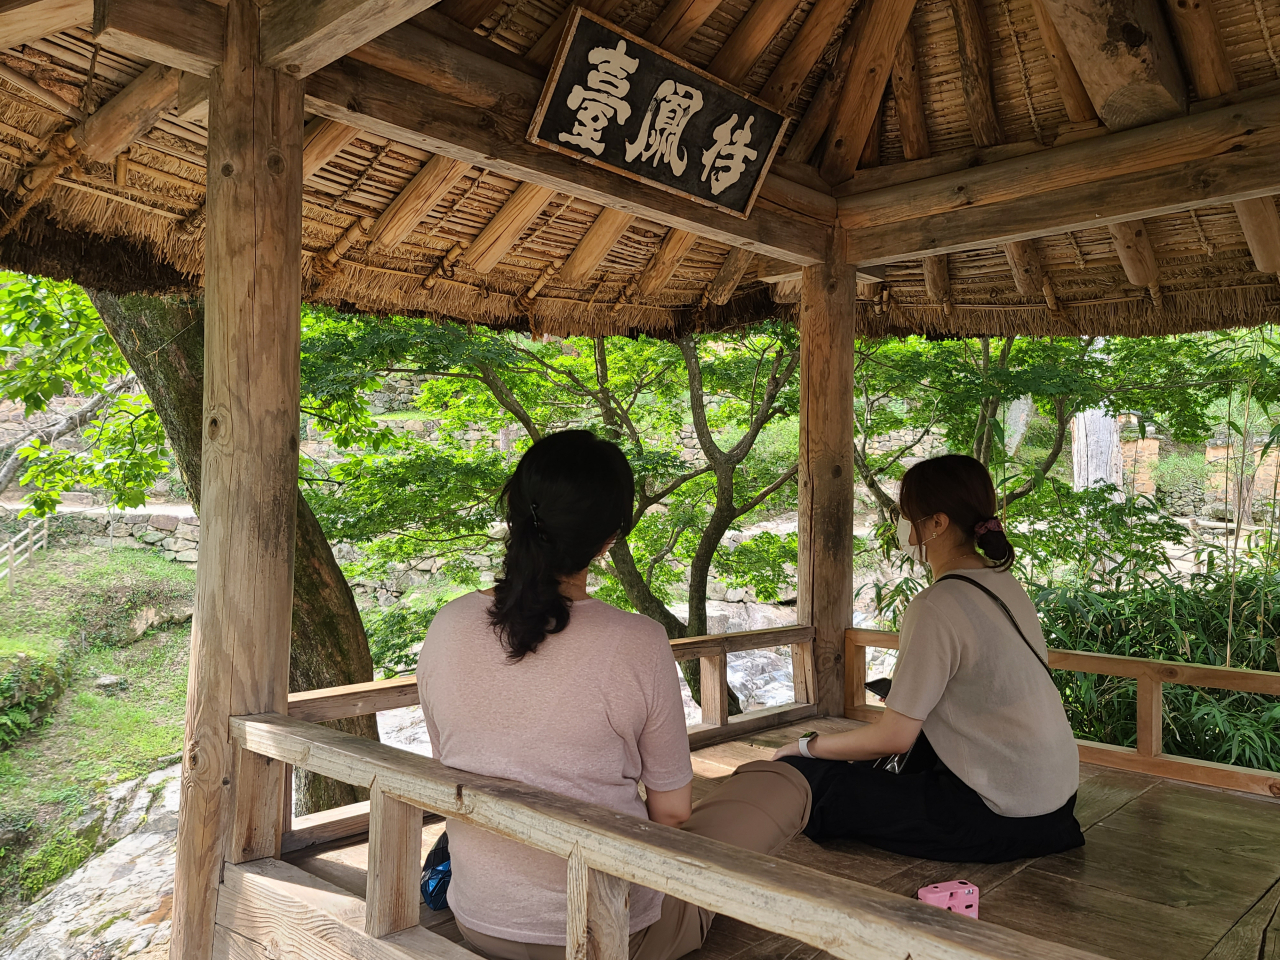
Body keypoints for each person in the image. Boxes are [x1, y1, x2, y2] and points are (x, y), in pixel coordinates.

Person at [416, 430, 811, 960]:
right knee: (781, 782)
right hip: (612, 935)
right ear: (609, 539)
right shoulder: (636, 640)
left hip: (482, 920)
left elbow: (454, 761)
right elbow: (672, 815)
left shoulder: (447, 623)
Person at [773, 454, 1084, 863]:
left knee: (809, 778)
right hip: (1057, 806)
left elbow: (893, 737)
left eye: (906, 515)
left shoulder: (936, 603)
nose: (901, 526)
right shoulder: (1004, 582)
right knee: (874, 766)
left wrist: (805, 746)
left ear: (936, 523)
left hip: (997, 818)